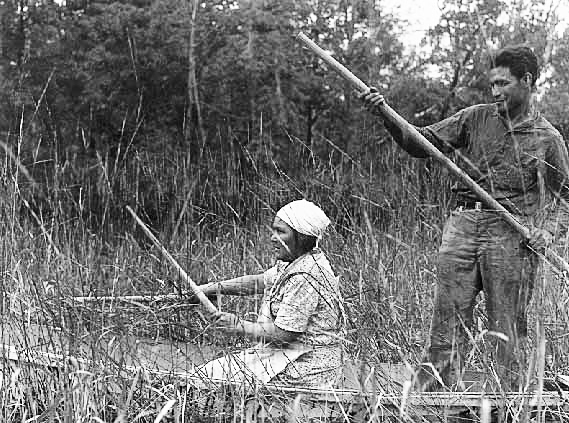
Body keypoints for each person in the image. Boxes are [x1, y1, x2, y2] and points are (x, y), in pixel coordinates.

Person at [360, 45, 569, 391]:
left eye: (503, 83)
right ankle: (434, 398)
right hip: (462, 226)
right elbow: (420, 143)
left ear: (527, 81)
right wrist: (386, 116)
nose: (495, 92)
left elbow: (565, 195)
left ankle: (507, 401)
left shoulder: (547, 138)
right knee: (448, 318)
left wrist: (546, 231)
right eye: (493, 85)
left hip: (512, 234)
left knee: (507, 322)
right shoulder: (474, 118)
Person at [195, 199, 344, 390]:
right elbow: (259, 282)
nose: (273, 238)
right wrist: (213, 288)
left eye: (280, 232)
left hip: (305, 369)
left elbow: (283, 335)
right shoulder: (295, 260)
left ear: (302, 236)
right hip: (287, 356)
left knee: (206, 381)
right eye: (274, 230)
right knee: (208, 374)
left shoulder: (307, 275)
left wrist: (237, 325)